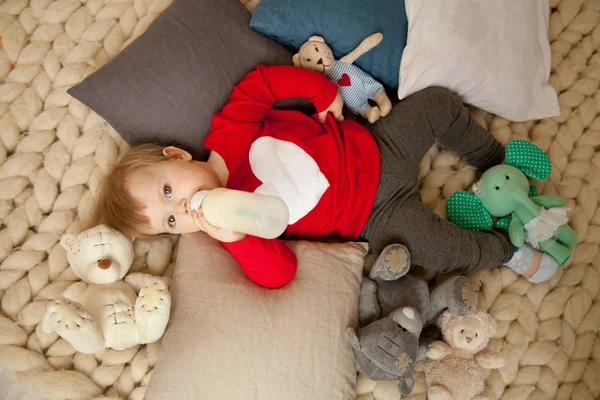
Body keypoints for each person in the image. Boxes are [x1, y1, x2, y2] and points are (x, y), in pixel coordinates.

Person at [95, 65, 559, 288]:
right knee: (439, 249)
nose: (182, 209)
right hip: (375, 216)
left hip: (377, 148)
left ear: (177, 154)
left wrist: (318, 93)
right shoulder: (230, 230)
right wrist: (236, 238)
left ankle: (499, 159)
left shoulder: (227, 133)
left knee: (436, 102)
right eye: (172, 222)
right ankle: (510, 251)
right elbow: (280, 273)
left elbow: (263, 85)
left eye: (169, 190)